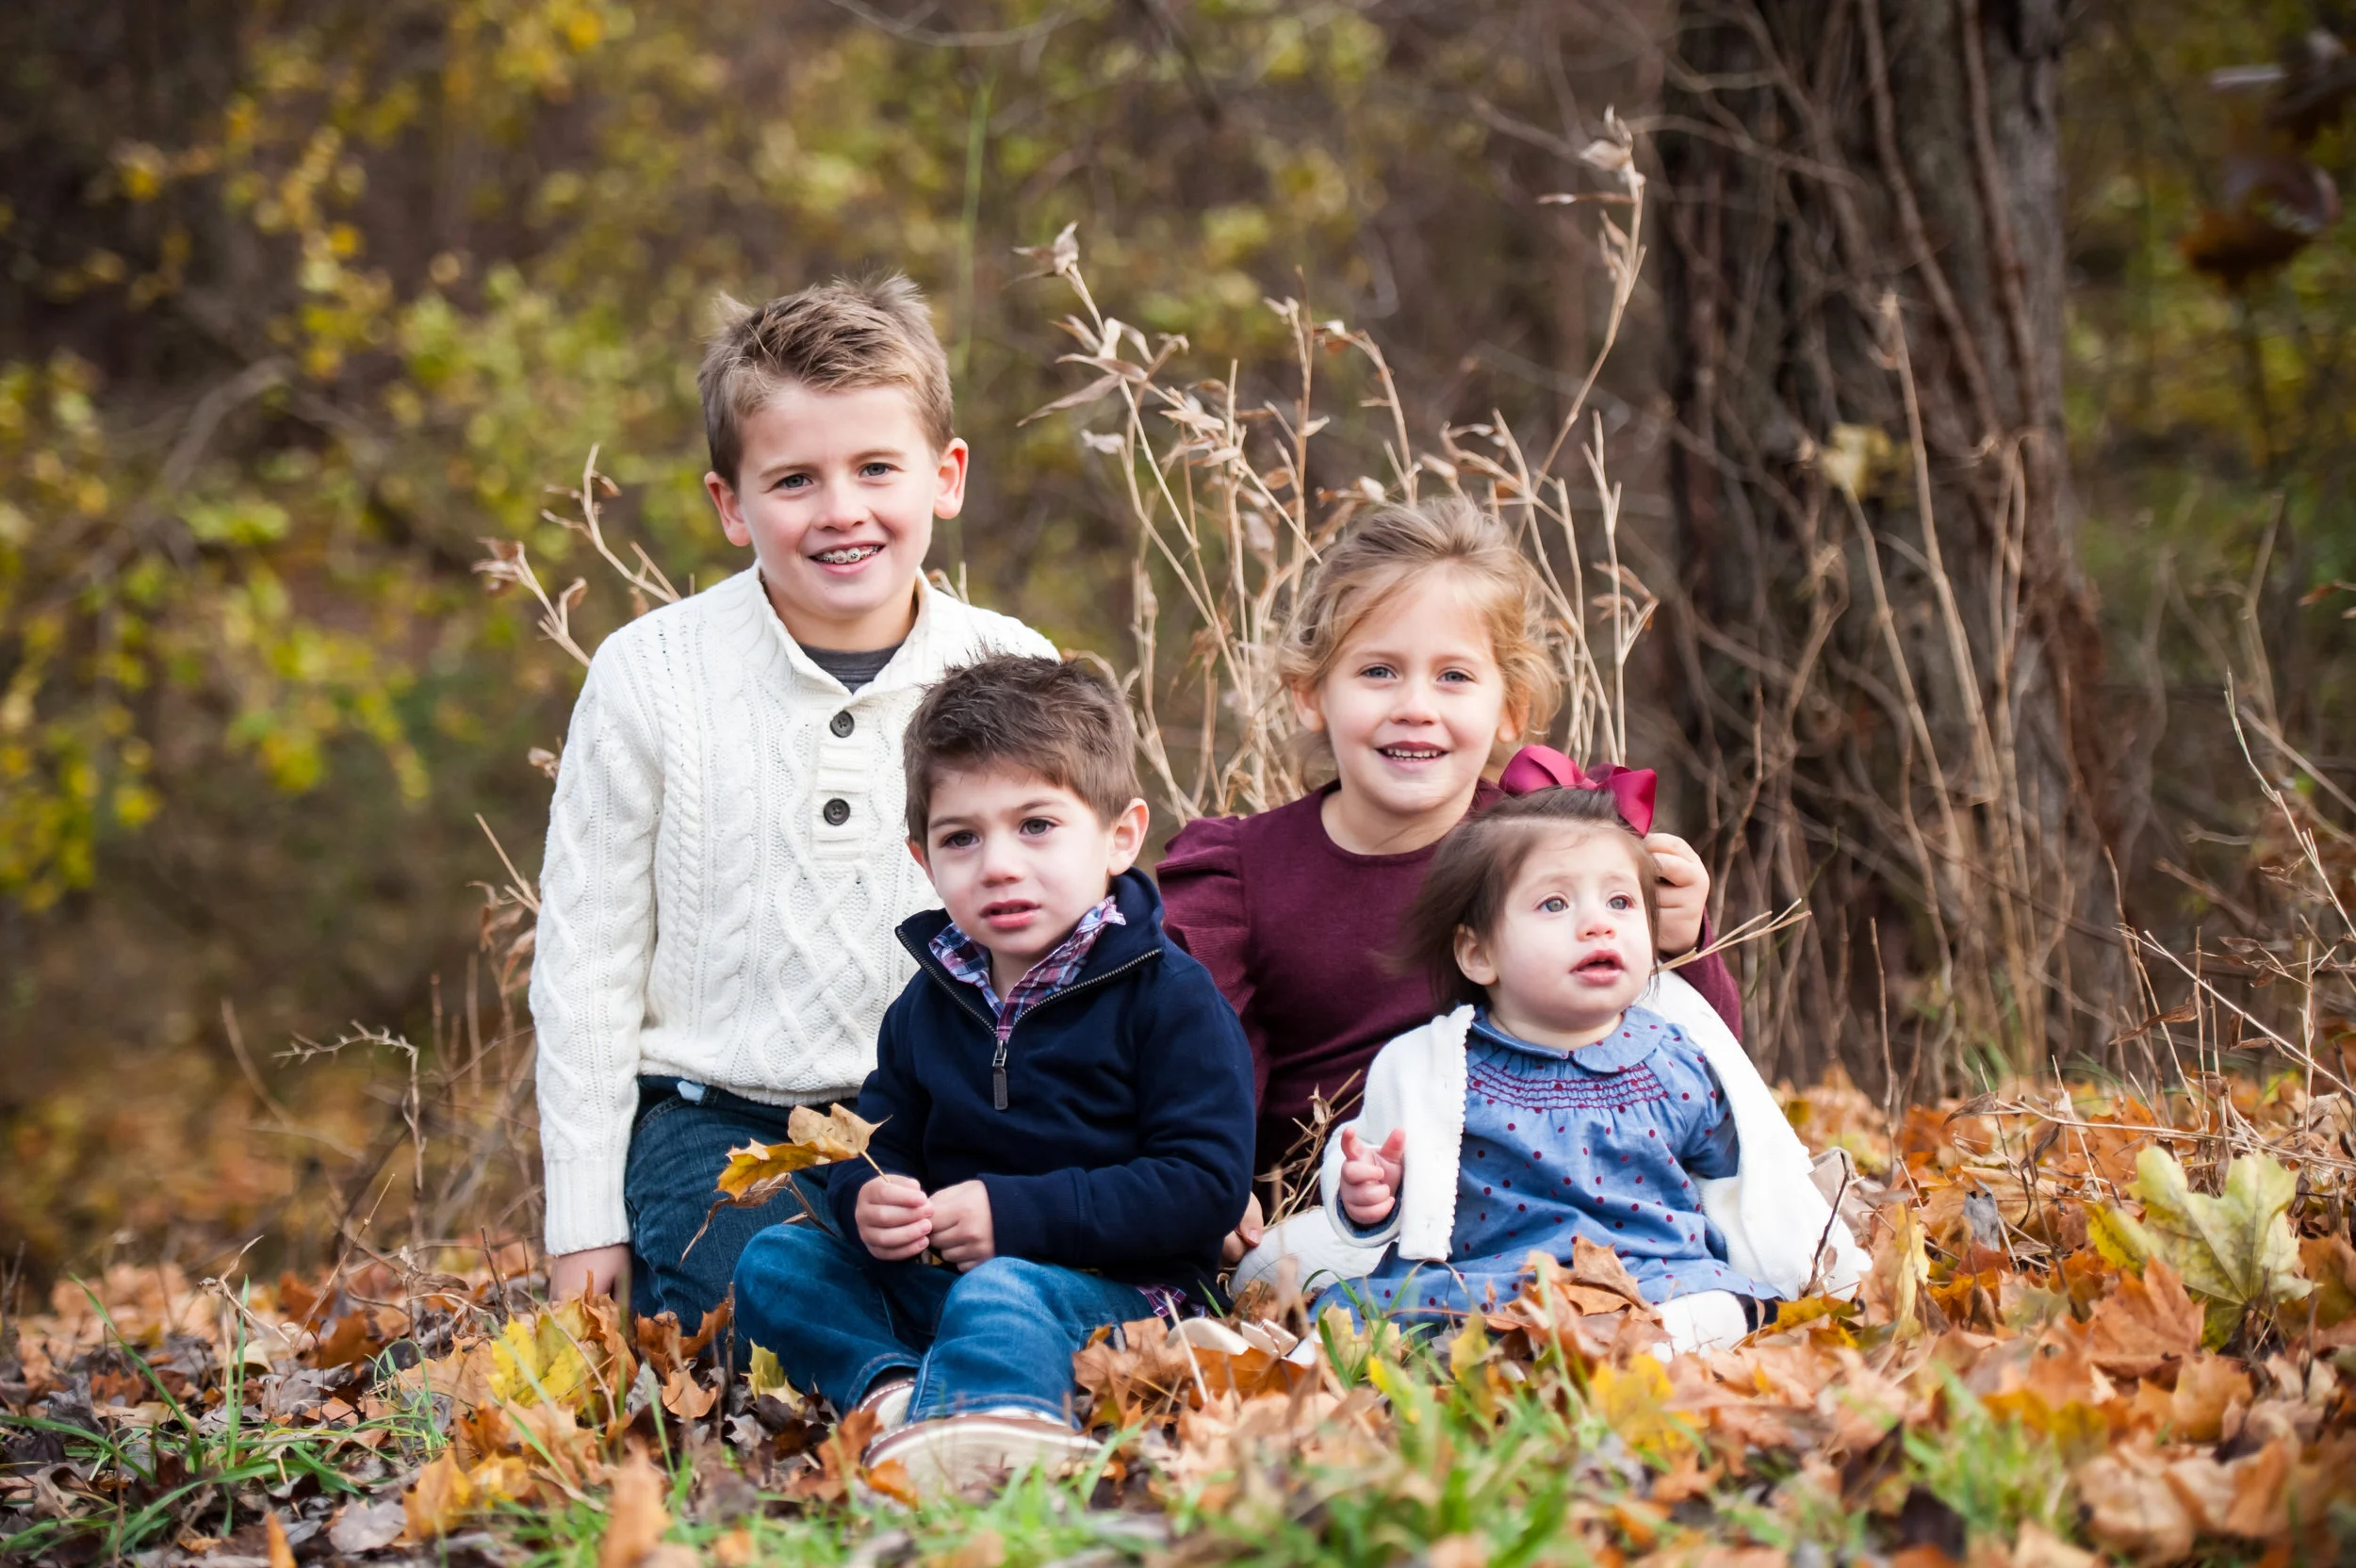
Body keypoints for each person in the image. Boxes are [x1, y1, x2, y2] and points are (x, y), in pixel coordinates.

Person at [532, 276, 1057, 1325]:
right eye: (794, 480)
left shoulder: (1012, 667)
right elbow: (586, 964)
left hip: (948, 1116)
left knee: (1018, 1287)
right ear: (731, 504)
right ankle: (887, 1391)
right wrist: (583, 1225)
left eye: (876, 468)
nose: (842, 510)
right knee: (760, 1294)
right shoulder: (651, 674)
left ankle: (954, 1366)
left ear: (946, 477)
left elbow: (1075, 931)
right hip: (721, 1125)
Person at [1155, 498, 1742, 1272]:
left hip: (1565, 1196)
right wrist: (1214, 1178)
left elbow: (1705, 1063)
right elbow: (1189, 1061)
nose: (1415, 708)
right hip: (1347, 1220)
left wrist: (1679, 939)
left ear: (1511, 709)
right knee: (1300, 1267)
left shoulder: (1553, 852)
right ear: (1311, 693)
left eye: (1455, 677)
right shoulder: (1242, 873)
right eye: (1378, 672)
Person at [733, 656, 1254, 1495]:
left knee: (1005, 1291)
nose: (999, 865)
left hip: (1116, 1297)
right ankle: (897, 1401)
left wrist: (1016, 1217)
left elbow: (1205, 1185)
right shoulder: (927, 1003)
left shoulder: (1168, 997)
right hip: (949, 1283)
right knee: (776, 1260)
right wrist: (871, 1199)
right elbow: (882, 1139)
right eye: (961, 839)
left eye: (1036, 825)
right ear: (923, 859)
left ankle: (1001, 1429)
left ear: (1120, 836)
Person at [1315, 767, 1866, 1355]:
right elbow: (1373, 1162)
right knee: (1363, 1319)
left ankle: (1628, 1349)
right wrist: (1369, 1194)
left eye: (1620, 901)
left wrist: (1789, 1239)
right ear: (1478, 953)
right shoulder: (1430, 1067)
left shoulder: (1675, 1059)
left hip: (1650, 1276)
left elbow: (1744, 1179)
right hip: (1492, 1281)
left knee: (1722, 1305)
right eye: (1554, 903)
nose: (1598, 923)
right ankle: (1516, 1353)